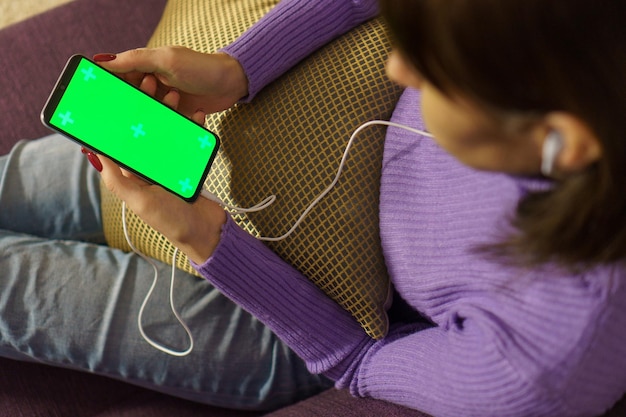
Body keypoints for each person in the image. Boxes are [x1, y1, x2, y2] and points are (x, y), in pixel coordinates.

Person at [1, 0, 625, 416]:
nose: (398, 63)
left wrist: (205, 238)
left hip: (299, 312)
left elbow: (357, 358)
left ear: (559, 142)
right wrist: (237, 68)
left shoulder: (539, 364)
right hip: (292, 125)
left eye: (435, 68)